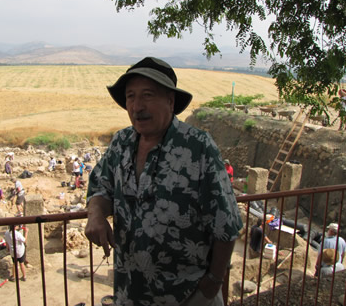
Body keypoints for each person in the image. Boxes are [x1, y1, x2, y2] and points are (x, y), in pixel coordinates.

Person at [85, 57, 243, 306]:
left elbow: (227, 223)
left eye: (147, 95)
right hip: (130, 293)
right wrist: (96, 214)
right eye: (130, 97)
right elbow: (100, 185)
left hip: (188, 295)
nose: (137, 106)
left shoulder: (198, 147)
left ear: (170, 101)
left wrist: (213, 281)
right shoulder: (121, 143)